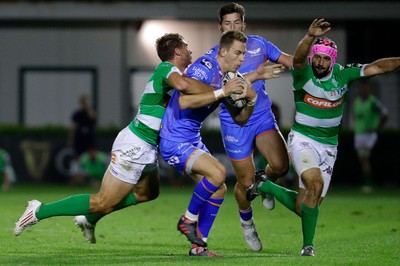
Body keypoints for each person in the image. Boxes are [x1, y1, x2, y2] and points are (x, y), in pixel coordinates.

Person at [13, 33, 242, 243]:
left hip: (148, 146)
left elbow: (191, 90)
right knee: (103, 201)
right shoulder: (166, 69)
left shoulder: (181, 76)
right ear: (178, 51)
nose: (191, 51)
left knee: (147, 193)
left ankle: (89, 220)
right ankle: (39, 210)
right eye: (187, 47)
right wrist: (222, 90)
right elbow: (184, 86)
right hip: (136, 143)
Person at [247, 18, 400, 256]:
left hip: (329, 147)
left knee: (306, 205)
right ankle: (308, 246)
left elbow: (378, 67)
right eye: (317, 57)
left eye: (325, 58)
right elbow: (297, 59)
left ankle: (264, 184)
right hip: (302, 140)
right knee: (314, 183)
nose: (319, 62)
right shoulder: (303, 74)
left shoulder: (344, 75)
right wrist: (309, 37)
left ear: (333, 60)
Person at [160, 30, 282, 256]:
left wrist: (252, 98)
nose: (241, 58)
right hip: (174, 138)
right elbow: (185, 100)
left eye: (244, 54)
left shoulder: (228, 80)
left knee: (218, 190)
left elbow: (241, 118)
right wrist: (222, 92)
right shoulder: (205, 66)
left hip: (192, 139)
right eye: (237, 53)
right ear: (223, 52)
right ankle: (188, 219)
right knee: (218, 172)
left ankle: (199, 247)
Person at [206, 2, 292, 252]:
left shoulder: (259, 44)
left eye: (236, 23)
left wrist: (309, 49)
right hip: (235, 123)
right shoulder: (213, 56)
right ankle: (247, 222)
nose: (231, 27)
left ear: (243, 24)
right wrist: (257, 75)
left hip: (261, 114)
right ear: (220, 26)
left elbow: (289, 60)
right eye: (227, 23)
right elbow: (223, 89)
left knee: (281, 165)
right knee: (244, 184)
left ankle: (264, 182)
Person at [352, 80, 388, 193]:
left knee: (365, 158)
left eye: (365, 88)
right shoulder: (357, 101)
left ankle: (368, 183)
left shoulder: (373, 102)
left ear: (369, 89)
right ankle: (367, 182)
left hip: (369, 134)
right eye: (361, 88)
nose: (363, 90)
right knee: (362, 159)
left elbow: (385, 115)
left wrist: (376, 128)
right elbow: (355, 116)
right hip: (359, 133)